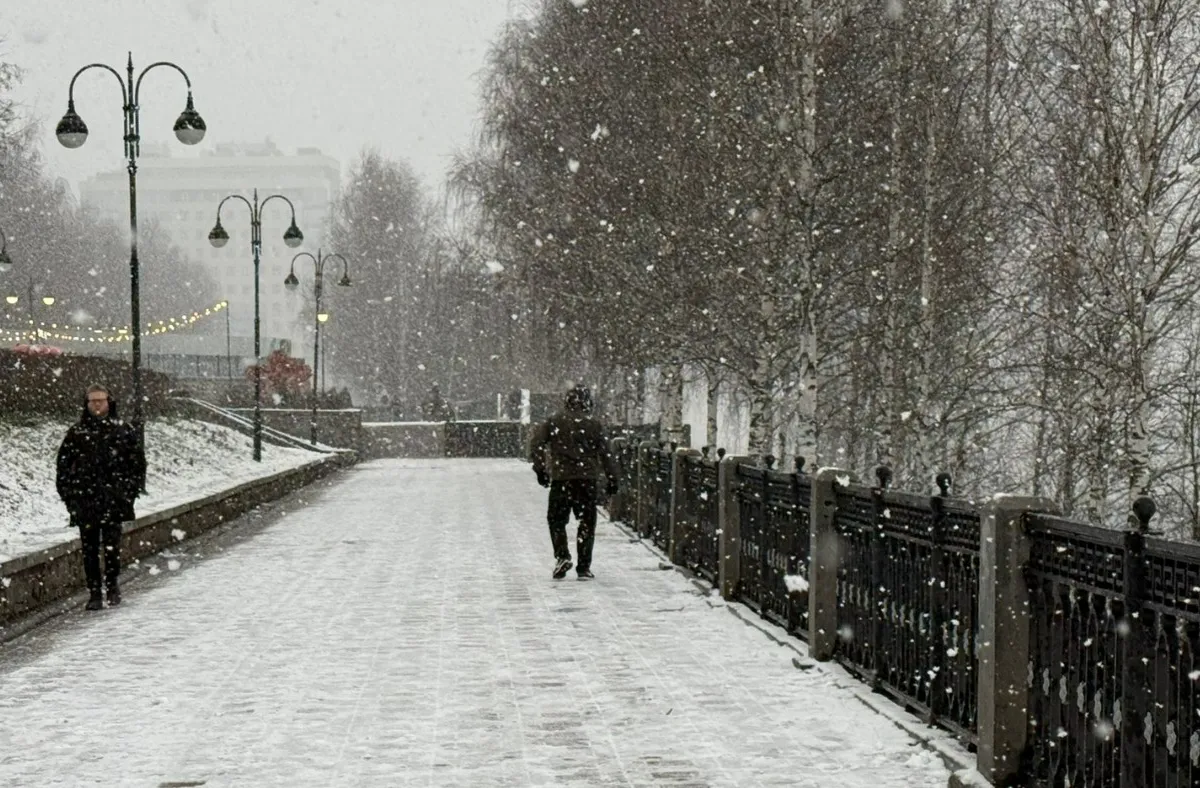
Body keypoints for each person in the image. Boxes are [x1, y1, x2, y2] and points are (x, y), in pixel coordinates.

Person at [55, 384, 146, 610]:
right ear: (86, 404)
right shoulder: (77, 433)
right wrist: (70, 498)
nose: (96, 404)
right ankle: (95, 592)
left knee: (112, 546)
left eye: (100, 400)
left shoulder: (123, 430)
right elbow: (63, 468)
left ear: (109, 402)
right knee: (89, 550)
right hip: (85, 500)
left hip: (113, 500)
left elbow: (137, 465)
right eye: (92, 401)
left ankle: (112, 586)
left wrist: (127, 493)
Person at [529, 384, 619, 580]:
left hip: (562, 479)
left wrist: (541, 469)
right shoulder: (594, 425)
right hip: (587, 480)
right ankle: (584, 566)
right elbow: (606, 453)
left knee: (556, 520)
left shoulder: (554, 422)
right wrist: (613, 478)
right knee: (586, 522)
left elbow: (536, 444)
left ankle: (562, 555)